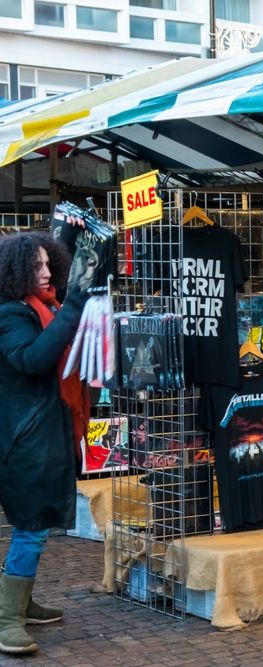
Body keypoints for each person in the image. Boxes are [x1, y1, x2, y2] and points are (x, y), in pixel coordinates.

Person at [0, 231, 90, 655]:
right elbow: (33, 360)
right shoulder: (10, 314)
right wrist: (74, 304)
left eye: (47, 262)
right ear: (16, 271)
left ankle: (20, 601)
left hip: (36, 434)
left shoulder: (41, 307)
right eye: (36, 265)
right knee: (31, 528)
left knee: (32, 526)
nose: (46, 270)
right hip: (24, 440)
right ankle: (7, 619)